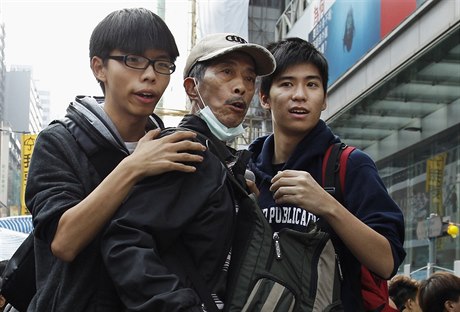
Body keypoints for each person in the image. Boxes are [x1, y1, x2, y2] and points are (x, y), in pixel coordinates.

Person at [24, 8, 206, 312]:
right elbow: (64, 242)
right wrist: (134, 167)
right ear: (99, 67)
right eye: (133, 61)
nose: (150, 75)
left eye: (162, 65)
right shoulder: (58, 143)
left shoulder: (175, 148)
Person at [101, 33, 275, 311]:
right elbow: (126, 242)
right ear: (192, 88)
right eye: (227, 72)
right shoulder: (184, 149)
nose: (241, 86)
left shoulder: (225, 160)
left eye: (249, 78)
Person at [247, 37, 406, 311]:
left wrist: (328, 206)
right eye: (286, 84)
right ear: (264, 97)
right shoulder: (247, 170)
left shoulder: (350, 165)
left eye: (312, 84)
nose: (300, 95)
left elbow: (387, 262)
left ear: (324, 100)